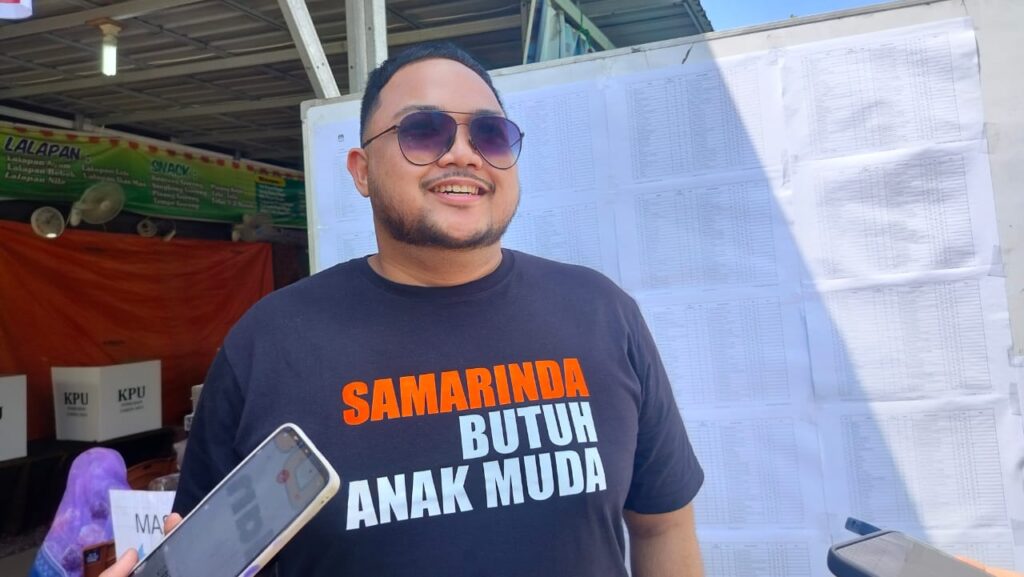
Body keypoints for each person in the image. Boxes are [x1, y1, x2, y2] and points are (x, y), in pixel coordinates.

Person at [103, 41, 705, 577]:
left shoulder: (601, 313)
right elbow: (211, 559)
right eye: (424, 131)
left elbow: (662, 526)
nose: (464, 153)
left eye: (490, 134)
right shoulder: (270, 342)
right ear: (362, 171)